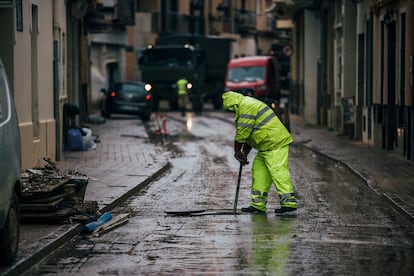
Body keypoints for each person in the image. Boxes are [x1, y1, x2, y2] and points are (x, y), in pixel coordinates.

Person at [222, 91, 298, 214]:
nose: (231, 111)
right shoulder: (245, 105)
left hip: (275, 143)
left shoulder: (247, 106)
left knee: (278, 170)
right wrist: (244, 153)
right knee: (259, 172)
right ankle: (258, 205)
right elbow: (250, 136)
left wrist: (237, 151)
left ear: (233, 104)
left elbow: (243, 133)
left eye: (231, 109)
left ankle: (289, 202)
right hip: (265, 146)